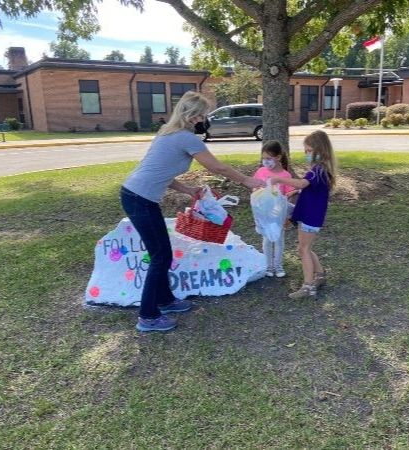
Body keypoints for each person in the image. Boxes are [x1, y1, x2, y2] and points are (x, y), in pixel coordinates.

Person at [120, 91, 264, 332]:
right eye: (203, 115)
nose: (205, 120)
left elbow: (161, 172)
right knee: (161, 256)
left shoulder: (168, 132)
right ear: (192, 115)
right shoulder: (186, 138)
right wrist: (246, 180)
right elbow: (216, 166)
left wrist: (186, 189)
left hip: (137, 196)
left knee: (162, 253)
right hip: (139, 198)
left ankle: (165, 301)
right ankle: (148, 316)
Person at [269, 130, 336, 299]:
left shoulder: (317, 171)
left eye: (308, 151)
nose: (306, 154)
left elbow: (302, 182)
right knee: (304, 248)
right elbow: (308, 188)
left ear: (320, 151)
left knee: (303, 249)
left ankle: (308, 286)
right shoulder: (321, 171)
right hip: (310, 215)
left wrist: (280, 179)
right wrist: (294, 192)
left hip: (310, 216)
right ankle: (319, 275)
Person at [253, 140, 297, 278]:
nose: (265, 161)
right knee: (266, 240)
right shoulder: (260, 171)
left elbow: (289, 194)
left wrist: (287, 214)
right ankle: (268, 266)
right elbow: (254, 188)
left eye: (269, 158)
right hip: (264, 214)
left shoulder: (285, 175)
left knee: (278, 240)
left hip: (278, 214)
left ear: (278, 157)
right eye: (264, 158)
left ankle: (278, 266)